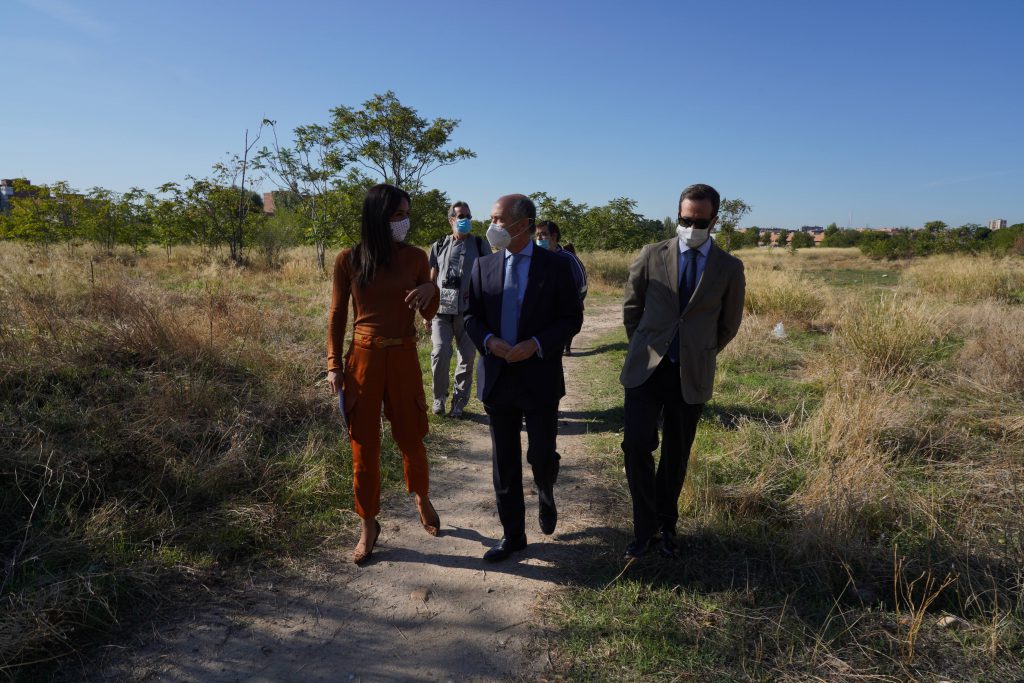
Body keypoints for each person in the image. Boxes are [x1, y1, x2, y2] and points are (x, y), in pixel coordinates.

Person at [620, 183, 745, 559]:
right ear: (677, 214)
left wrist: (699, 353)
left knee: (676, 454)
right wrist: (644, 344)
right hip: (646, 369)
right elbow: (632, 307)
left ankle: (666, 525)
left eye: (699, 221)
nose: (690, 226)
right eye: (684, 219)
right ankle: (643, 530)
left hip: (690, 374)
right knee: (636, 445)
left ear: (714, 219)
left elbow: (729, 324)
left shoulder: (729, 267)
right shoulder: (651, 254)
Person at [327, 183, 442, 565]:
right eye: (397, 216)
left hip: (404, 357)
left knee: (412, 435)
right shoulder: (349, 259)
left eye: (406, 215)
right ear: (378, 218)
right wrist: (333, 365)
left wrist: (430, 288)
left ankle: (421, 495)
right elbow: (337, 315)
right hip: (363, 360)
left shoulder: (415, 257)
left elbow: (428, 313)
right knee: (363, 446)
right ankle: (368, 523)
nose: (404, 223)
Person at [465, 194, 583, 562]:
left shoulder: (556, 266)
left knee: (541, 452)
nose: (492, 225)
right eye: (492, 218)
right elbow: (470, 316)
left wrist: (535, 343)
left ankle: (545, 488)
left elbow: (570, 318)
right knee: (505, 460)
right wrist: (489, 341)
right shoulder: (483, 266)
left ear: (524, 224)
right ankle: (513, 534)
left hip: (540, 375)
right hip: (498, 375)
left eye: (499, 219)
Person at [426, 201, 489, 418]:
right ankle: (439, 398)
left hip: (469, 312)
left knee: (467, 358)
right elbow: (431, 279)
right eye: (461, 216)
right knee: (440, 353)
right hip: (441, 311)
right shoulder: (438, 245)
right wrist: (426, 312)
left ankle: (459, 402)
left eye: (468, 216)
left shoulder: (480, 245)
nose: (466, 220)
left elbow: (489, 279)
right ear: (451, 219)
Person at [535, 220, 587, 355]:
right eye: (537, 235)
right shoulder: (533, 259)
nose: (539, 238)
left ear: (554, 236)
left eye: (543, 234)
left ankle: (566, 348)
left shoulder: (568, 258)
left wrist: (577, 300)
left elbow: (582, 282)